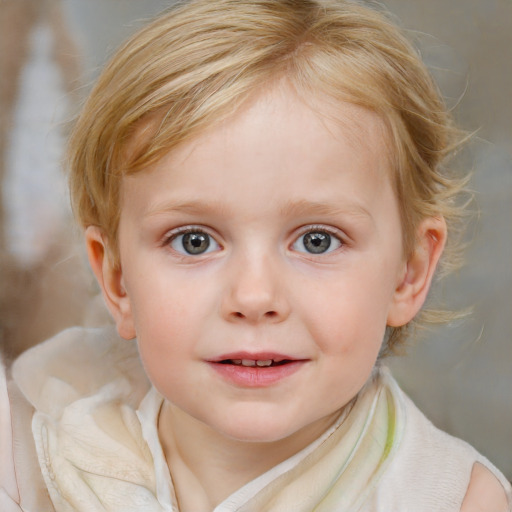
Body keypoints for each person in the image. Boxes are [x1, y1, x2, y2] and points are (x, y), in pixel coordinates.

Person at [1, 0, 510, 510]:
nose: (254, 296)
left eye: (317, 240)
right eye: (194, 241)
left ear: (410, 273)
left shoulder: (455, 500)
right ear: (116, 280)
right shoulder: (29, 452)